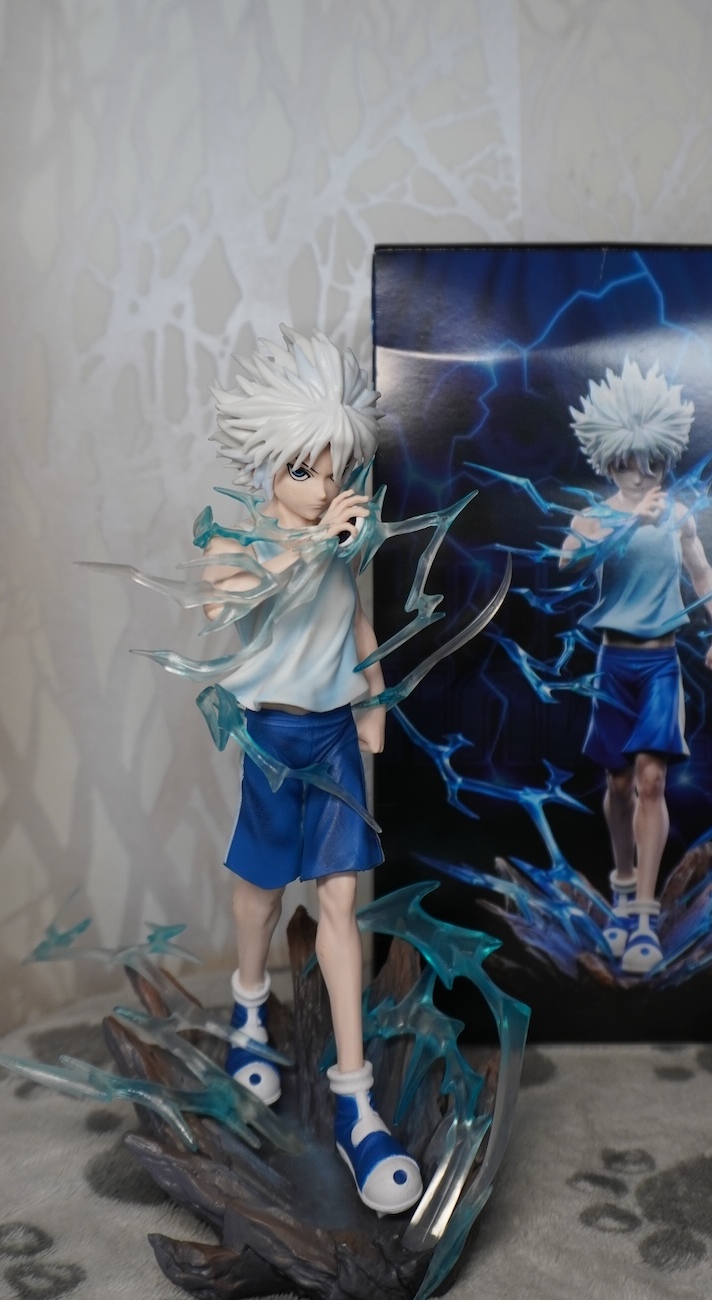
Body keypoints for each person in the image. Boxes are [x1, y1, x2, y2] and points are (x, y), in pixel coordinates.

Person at [201, 327, 421, 1216]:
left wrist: (373, 699)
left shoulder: (344, 541)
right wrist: (313, 543)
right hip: (270, 741)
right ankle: (249, 1007)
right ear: (270, 465)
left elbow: (355, 621)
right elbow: (232, 604)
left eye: (336, 470)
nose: (327, 487)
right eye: (305, 470)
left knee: (341, 904)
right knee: (260, 893)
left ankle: (354, 1099)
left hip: (332, 738)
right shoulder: (232, 537)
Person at [563, 357, 712, 974]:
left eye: (652, 463)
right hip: (613, 664)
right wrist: (622, 527)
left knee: (652, 781)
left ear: (665, 458)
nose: (640, 475)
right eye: (627, 464)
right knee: (616, 784)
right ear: (609, 460)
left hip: (661, 663)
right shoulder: (594, 516)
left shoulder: (679, 517)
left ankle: (643, 912)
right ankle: (621, 886)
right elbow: (567, 561)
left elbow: (703, 574)